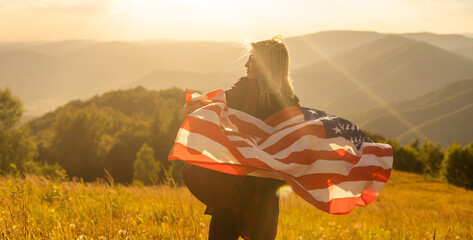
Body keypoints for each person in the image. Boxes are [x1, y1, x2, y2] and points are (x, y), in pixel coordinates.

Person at [183, 35, 300, 240]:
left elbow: (218, 102)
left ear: (267, 65)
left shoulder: (249, 89)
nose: (246, 64)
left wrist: (195, 105)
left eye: (252, 60)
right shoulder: (289, 102)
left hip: (237, 187)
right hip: (260, 191)